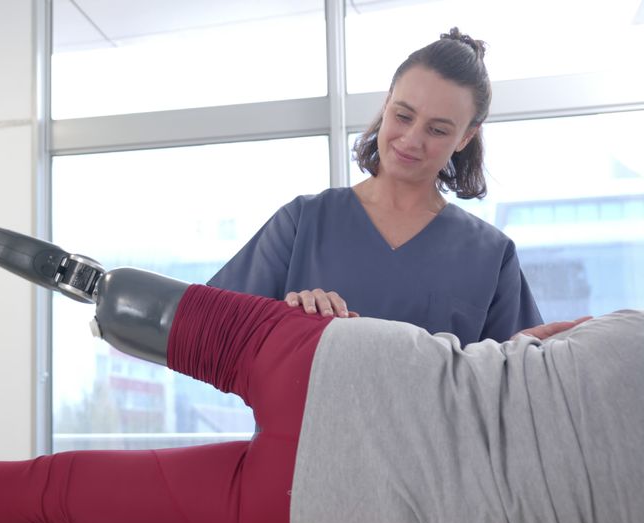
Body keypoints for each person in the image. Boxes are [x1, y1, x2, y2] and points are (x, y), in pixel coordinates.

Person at [0, 282, 643, 523]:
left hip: (355, 367)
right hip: (343, 507)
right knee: (60, 490)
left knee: (111, 289)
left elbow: (533, 341)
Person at [208, 28, 542, 345]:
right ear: (386, 105)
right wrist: (288, 319)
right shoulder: (303, 223)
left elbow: (515, 379)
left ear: (465, 137)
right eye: (403, 116)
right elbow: (211, 329)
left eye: (437, 130)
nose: (411, 140)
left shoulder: (490, 255)